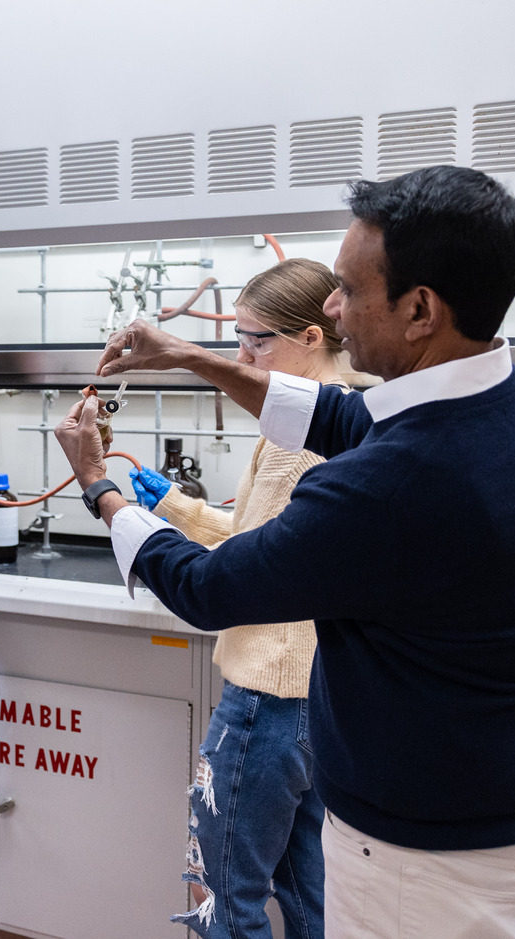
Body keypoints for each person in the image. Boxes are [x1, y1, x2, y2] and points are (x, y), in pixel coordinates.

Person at [53, 165, 515, 938]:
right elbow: (341, 416)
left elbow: (208, 587)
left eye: (349, 289)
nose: (330, 305)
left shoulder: (384, 487)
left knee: (229, 895)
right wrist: (189, 356)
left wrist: (99, 487)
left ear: (420, 309)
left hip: (419, 870)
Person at [130, 259, 344, 939]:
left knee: (223, 895)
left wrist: (117, 510)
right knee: (307, 895)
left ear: (311, 336)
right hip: (314, 697)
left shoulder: (296, 441)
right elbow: (259, 540)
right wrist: (174, 506)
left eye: (257, 341)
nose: (243, 358)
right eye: (238, 339)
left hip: (266, 696)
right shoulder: (338, 412)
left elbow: (237, 577)